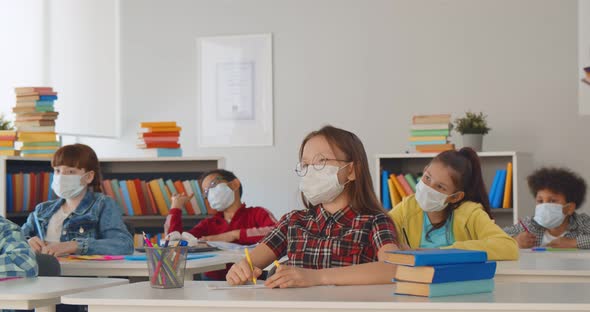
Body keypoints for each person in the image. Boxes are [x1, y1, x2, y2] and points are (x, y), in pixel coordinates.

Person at [226, 125, 398, 288]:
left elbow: (394, 268)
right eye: (306, 165)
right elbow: (250, 262)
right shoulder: (292, 221)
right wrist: (239, 270)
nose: (310, 171)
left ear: (352, 170)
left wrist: (316, 277)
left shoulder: (375, 221)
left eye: (321, 161)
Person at [389, 147, 518, 260]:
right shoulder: (407, 208)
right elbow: (376, 231)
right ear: (425, 170)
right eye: (427, 178)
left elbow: (508, 247)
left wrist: (443, 252)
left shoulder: (470, 214)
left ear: (455, 197)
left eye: (440, 187)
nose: (429, 188)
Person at [21, 144, 134, 256]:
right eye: (57, 170)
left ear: (88, 176)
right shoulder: (42, 209)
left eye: (70, 172)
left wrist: (74, 246)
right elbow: (11, 240)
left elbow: (124, 245)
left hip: (84, 273)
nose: (61, 177)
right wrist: (27, 242)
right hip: (44, 272)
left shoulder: (102, 204)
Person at [165, 169, 277, 280]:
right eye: (206, 192)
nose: (210, 194)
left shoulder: (257, 213)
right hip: (212, 284)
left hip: (251, 280)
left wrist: (234, 235)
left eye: (213, 184)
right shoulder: (209, 224)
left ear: (234, 184)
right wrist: (175, 207)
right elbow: (174, 242)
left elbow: (276, 234)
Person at [504, 167, 590, 249]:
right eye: (540, 201)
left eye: (552, 201)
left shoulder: (581, 223)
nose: (544, 206)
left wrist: (573, 243)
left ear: (570, 208)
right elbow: (497, 236)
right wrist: (516, 240)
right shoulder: (530, 225)